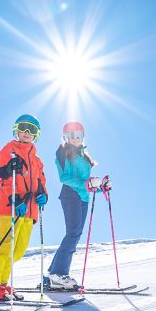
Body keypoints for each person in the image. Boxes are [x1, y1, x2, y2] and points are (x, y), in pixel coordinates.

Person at [0, 114, 48, 300]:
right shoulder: (9, 150)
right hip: (12, 207)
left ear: (36, 135)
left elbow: (42, 180)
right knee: (5, 245)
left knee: (18, 250)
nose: (26, 132)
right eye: (23, 127)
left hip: (30, 211)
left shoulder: (37, 160)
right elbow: (7, 179)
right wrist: (15, 199)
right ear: (16, 129)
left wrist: (43, 194)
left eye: (31, 130)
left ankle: (0, 283)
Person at [45, 121, 98, 290]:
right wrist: (86, 183)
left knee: (75, 233)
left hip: (83, 197)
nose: (76, 139)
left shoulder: (83, 155)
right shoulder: (63, 152)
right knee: (73, 233)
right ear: (66, 137)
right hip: (71, 195)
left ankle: (53, 273)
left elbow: (87, 181)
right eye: (72, 135)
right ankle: (58, 274)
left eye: (79, 135)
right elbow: (64, 178)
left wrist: (100, 184)